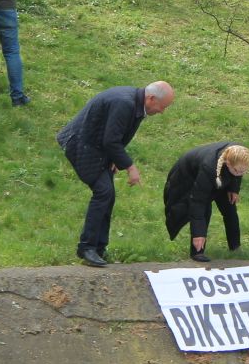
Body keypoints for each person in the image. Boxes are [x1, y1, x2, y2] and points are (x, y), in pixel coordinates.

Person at [56, 82, 176, 267]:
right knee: (104, 192)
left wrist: (115, 158)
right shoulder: (125, 103)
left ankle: (99, 248)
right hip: (81, 144)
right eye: (163, 106)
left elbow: (116, 136)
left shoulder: (136, 104)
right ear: (151, 99)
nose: (162, 111)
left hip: (98, 147)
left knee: (108, 195)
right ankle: (87, 248)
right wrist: (130, 167)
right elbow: (111, 141)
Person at [164, 142, 249, 262]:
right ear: (228, 163)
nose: (240, 174)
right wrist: (198, 234)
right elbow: (197, 202)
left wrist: (234, 189)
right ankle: (197, 252)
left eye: (244, 171)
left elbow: (238, 172)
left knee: (230, 209)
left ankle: (235, 247)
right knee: (204, 210)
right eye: (238, 171)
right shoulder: (209, 167)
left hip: (219, 175)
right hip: (188, 178)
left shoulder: (240, 153)